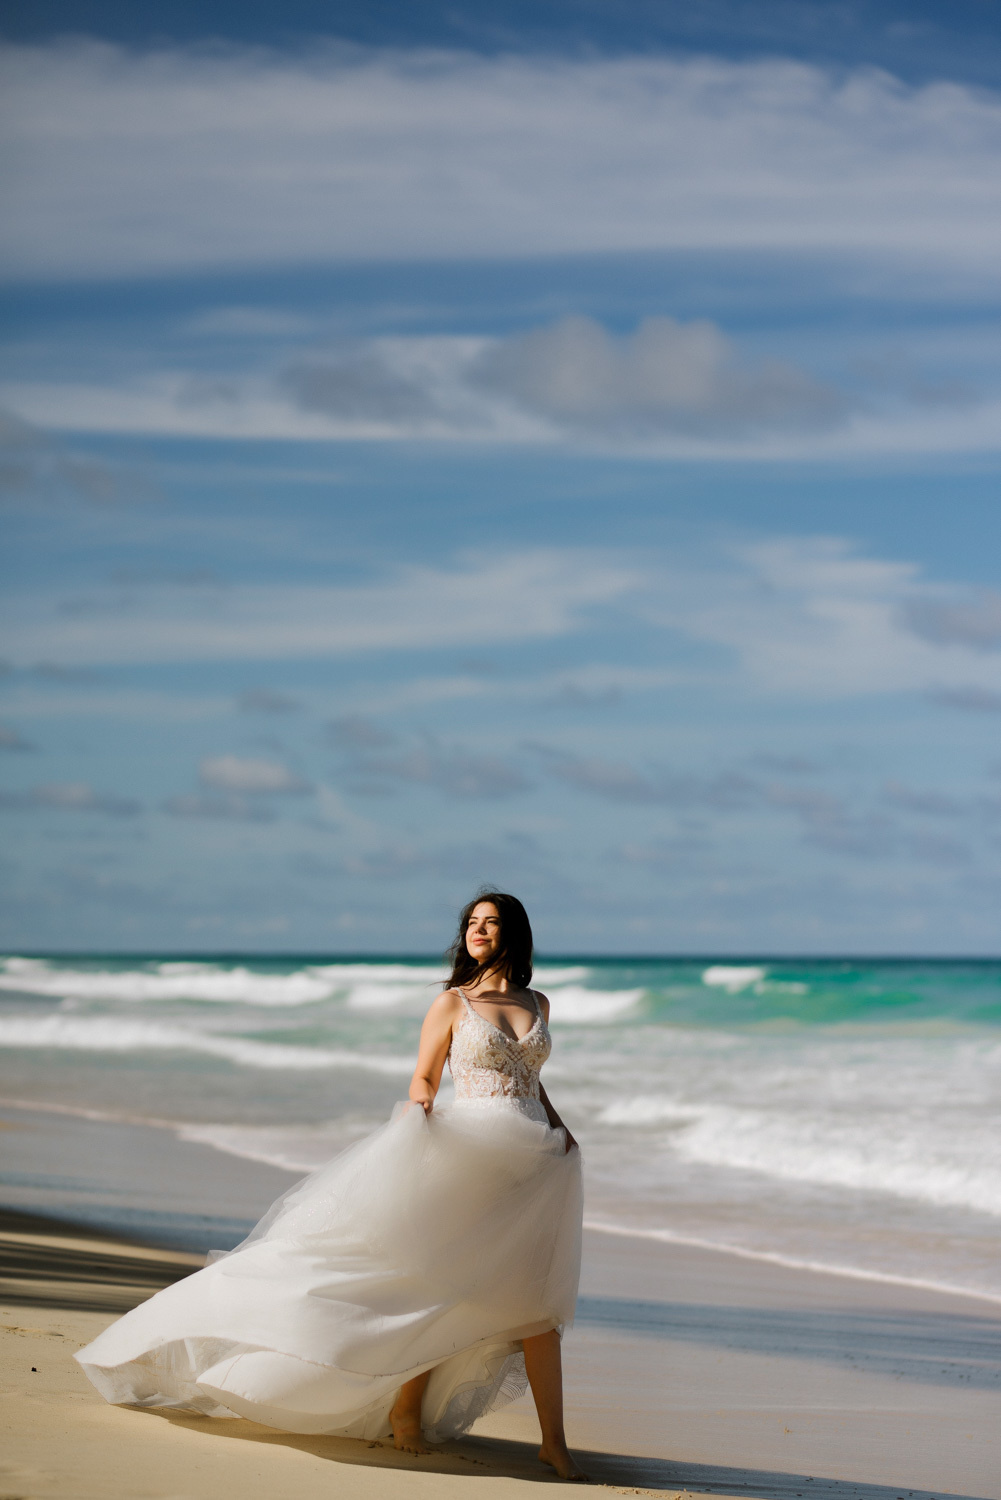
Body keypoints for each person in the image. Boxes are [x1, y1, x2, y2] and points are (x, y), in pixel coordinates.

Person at [75, 891, 587, 1482]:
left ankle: (554, 1443)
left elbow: (532, 1083)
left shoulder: (538, 1002)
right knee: (438, 1285)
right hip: (466, 1156)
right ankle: (405, 1412)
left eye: (491, 924)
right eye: (471, 923)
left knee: (537, 1308)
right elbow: (424, 1074)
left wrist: (561, 1128)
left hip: (534, 1168)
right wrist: (419, 1114)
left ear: (513, 935)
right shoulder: (453, 1002)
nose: (478, 932)